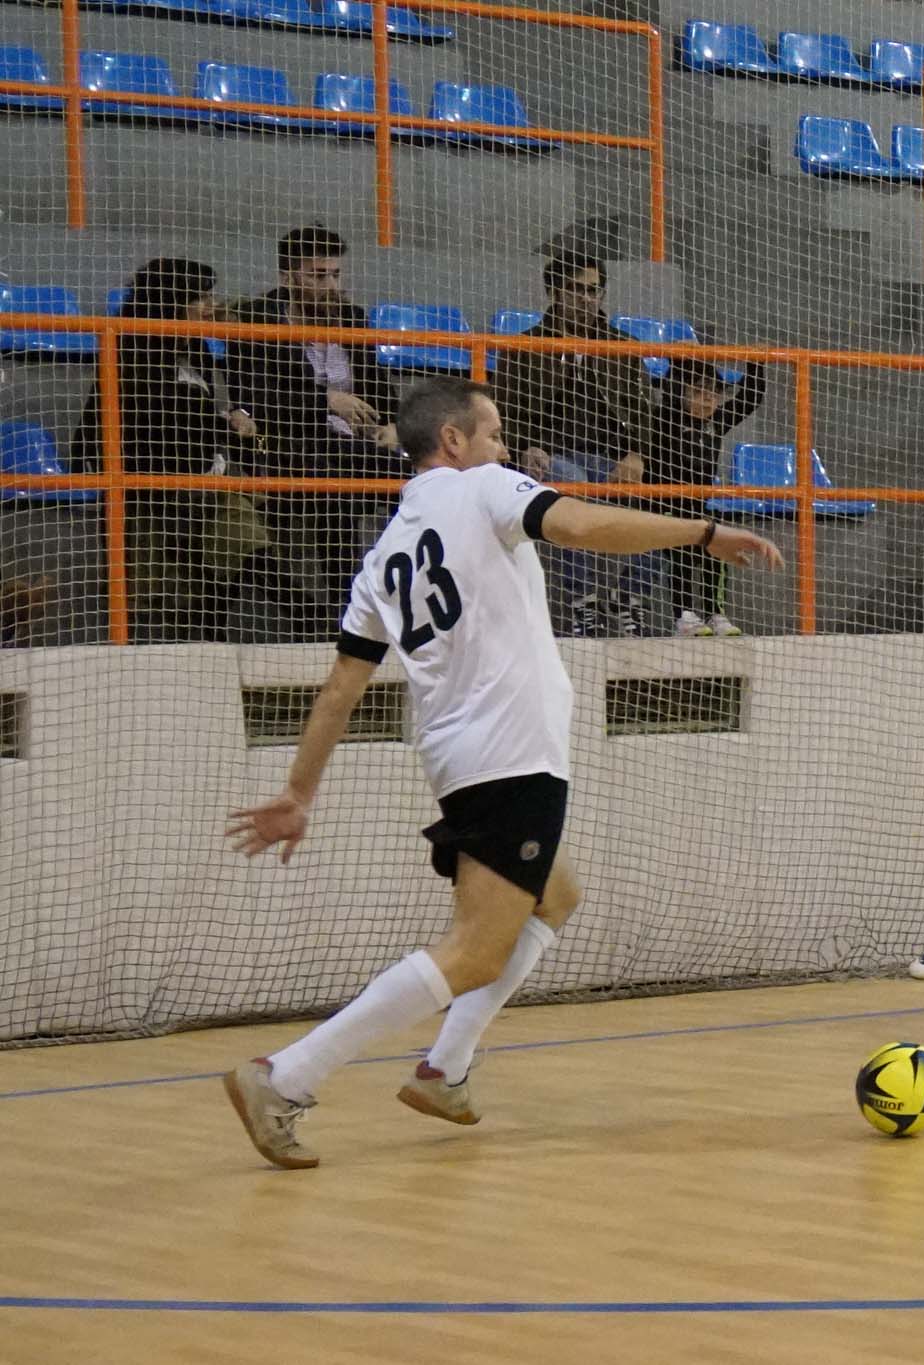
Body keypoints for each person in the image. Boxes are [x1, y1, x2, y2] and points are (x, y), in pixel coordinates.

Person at [220, 377, 783, 1170]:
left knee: (556, 894)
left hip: (460, 756)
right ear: (452, 442)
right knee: (476, 950)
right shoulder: (480, 487)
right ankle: (284, 1075)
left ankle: (445, 1068)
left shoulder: (383, 555)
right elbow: (581, 523)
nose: (504, 449)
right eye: (492, 434)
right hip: (511, 751)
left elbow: (341, 688)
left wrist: (298, 793)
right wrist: (702, 533)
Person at [223, 225, 400, 638]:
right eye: (317, 275)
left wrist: (392, 424)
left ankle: (393, 594)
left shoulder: (352, 318)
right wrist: (324, 400)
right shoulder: (255, 318)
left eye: (335, 274)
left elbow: (379, 386)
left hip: (352, 446)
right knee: (336, 487)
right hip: (283, 444)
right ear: (287, 277)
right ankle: (347, 614)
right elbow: (252, 396)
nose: (330, 285)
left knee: (416, 478)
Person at [71, 257, 255, 642]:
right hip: (145, 484)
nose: (210, 306)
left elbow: (194, 415)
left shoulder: (199, 348)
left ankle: (300, 620)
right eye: (201, 297)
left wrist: (226, 420)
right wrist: (221, 426)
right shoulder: (134, 349)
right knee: (156, 595)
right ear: (172, 301)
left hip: (201, 480)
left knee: (247, 554)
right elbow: (155, 425)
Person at [493, 252, 663, 637]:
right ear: (554, 292)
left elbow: (642, 411)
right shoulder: (524, 346)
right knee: (572, 485)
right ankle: (582, 603)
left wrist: (636, 454)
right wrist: (524, 448)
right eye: (576, 290)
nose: (587, 299)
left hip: (610, 457)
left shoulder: (623, 346)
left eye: (594, 291)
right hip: (551, 455)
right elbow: (503, 410)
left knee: (663, 499)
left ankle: (626, 600)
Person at [653, 351, 764, 636]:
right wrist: (681, 360)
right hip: (663, 505)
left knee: (718, 544)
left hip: (699, 505)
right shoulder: (664, 418)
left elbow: (749, 399)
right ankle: (684, 615)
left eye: (713, 394)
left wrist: (756, 363)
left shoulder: (716, 421)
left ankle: (716, 613)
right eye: (698, 392)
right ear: (680, 392)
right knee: (685, 546)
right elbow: (666, 387)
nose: (706, 400)